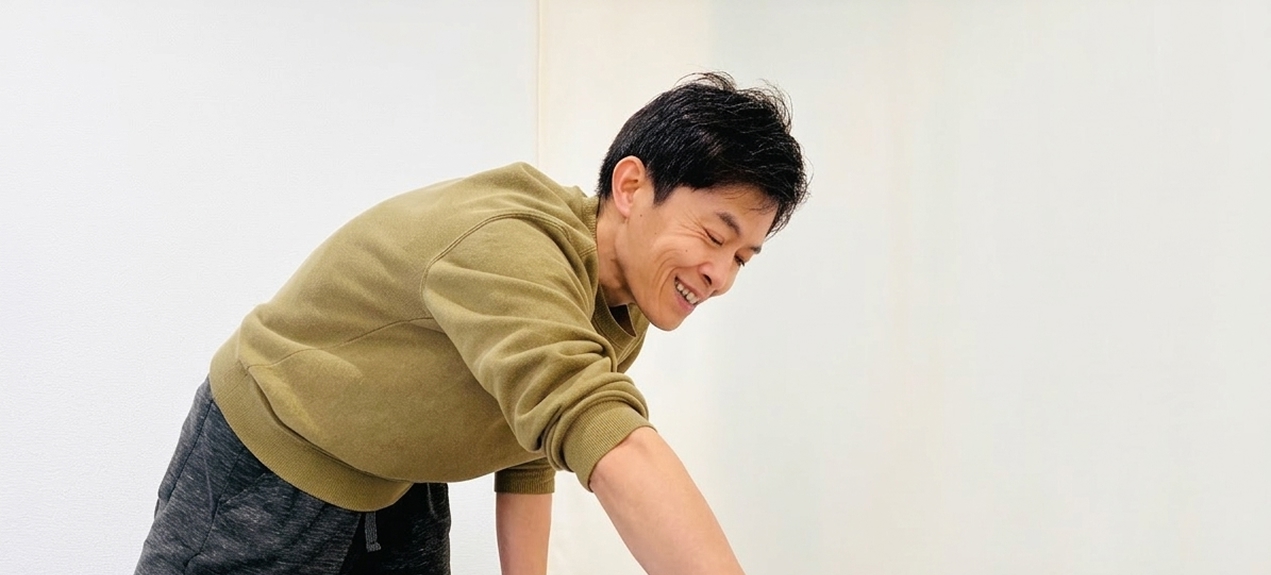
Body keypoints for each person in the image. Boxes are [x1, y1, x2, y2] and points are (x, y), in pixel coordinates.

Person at [135, 71, 808, 575]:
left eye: (741, 258)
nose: (720, 275)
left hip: (402, 476)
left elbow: (533, 447)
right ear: (631, 187)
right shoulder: (510, 248)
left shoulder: (622, 300)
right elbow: (608, 439)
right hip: (275, 455)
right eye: (714, 236)